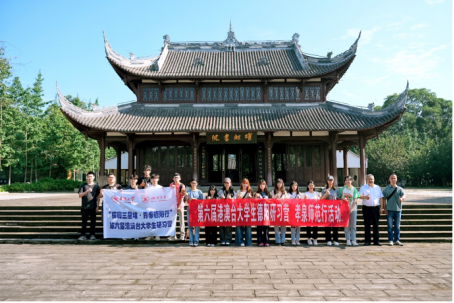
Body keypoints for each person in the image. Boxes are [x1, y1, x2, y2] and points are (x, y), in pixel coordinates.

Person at [360, 174, 384, 246]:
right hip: (366, 208)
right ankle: (367, 241)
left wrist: (381, 208)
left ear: (374, 179)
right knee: (367, 225)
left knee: (376, 225)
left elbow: (381, 198)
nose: (370, 180)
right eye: (369, 179)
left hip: (376, 208)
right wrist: (365, 197)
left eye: (371, 179)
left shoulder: (377, 187)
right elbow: (359, 196)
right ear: (366, 180)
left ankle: (376, 241)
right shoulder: (363, 187)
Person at [383, 174, 406, 246]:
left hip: (398, 210)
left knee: (397, 226)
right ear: (389, 179)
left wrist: (402, 199)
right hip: (389, 210)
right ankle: (390, 240)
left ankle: (397, 240)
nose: (393, 179)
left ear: (396, 179)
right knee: (390, 226)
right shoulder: (386, 189)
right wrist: (384, 208)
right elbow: (383, 199)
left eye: (394, 178)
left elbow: (404, 195)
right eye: (392, 178)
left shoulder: (400, 189)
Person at [78, 171, 101, 241]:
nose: (90, 178)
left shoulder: (96, 186)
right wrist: (87, 191)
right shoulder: (83, 185)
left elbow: (98, 196)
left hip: (93, 206)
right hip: (84, 207)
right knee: (84, 222)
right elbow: (80, 195)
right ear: (86, 177)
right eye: (88, 176)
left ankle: (92, 235)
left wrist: (97, 206)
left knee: (93, 222)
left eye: (91, 176)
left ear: (94, 177)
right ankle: (83, 235)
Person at [339, 175, 360, 247]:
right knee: (346, 224)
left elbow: (355, 199)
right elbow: (339, 197)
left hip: (353, 209)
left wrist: (351, 208)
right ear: (345, 181)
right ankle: (348, 239)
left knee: (353, 225)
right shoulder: (342, 189)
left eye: (349, 180)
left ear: (352, 181)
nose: (348, 181)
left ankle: (353, 240)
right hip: (344, 209)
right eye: (346, 180)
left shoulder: (354, 189)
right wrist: (343, 199)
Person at [321, 176, 341, 246]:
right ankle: (328, 240)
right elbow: (321, 200)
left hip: (335, 209)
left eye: (331, 180)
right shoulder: (324, 190)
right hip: (326, 209)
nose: (330, 182)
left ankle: (335, 240)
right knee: (327, 225)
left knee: (335, 225)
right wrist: (326, 194)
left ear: (333, 181)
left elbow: (339, 199)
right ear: (327, 181)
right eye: (329, 180)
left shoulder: (337, 190)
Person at [235, 179, 254, 247]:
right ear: (241, 184)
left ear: (248, 184)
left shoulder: (250, 191)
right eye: (243, 183)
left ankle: (248, 242)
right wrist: (238, 198)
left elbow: (253, 202)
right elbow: (235, 202)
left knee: (248, 227)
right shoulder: (238, 191)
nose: (244, 185)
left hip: (248, 211)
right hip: (240, 211)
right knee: (239, 226)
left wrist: (250, 197)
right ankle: (240, 241)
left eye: (246, 183)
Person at [145, 173, 163, 241]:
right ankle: (150, 235)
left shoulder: (161, 187)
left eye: (156, 178)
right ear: (151, 179)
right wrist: (145, 188)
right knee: (150, 221)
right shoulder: (149, 187)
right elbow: (145, 196)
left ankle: (157, 235)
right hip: (150, 206)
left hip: (158, 207)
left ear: (158, 179)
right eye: (153, 178)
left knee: (157, 221)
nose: (155, 180)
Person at [218, 178, 236, 246]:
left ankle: (228, 239)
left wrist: (231, 199)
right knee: (221, 226)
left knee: (228, 226)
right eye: (225, 183)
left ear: (230, 183)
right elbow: (216, 201)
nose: (227, 184)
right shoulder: (220, 192)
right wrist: (221, 199)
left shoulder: (233, 192)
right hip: (221, 210)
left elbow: (236, 201)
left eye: (228, 183)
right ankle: (222, 240)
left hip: (229, 211)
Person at [187, 179, 204, 247]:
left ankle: (196, 240)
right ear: (190, 183)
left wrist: (195, 199)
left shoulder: (199, 192)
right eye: (192, 183)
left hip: (197, 210)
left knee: (197, 226)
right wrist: (188, 198)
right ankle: (191, 240)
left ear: (197, 183)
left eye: (195, 183)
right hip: (190, 210)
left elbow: (202, 201)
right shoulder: (188, 192)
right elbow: (187, 202)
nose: (193, 184)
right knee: (190, 225)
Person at [169, 173, 186, 241]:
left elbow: (182, 197)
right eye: (175, 177)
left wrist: (179, 206)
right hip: (173, 205)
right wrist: (171, 188)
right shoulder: (171, 184)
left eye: (177, 177)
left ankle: (182, 234)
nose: (176, 179)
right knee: (173, 221)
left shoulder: (182, 186)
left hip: (180, 204)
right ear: (173, 179)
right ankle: (173, 235)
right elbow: (168, 193)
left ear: (180, 178)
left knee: (181, 220)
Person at [271, 178, 287, 246]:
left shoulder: (284, 192)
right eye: (278, 183)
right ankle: (277, 240)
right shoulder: (273, 191)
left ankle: (283, 239)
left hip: (283, 210)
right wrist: (275, 198)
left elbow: (287, 201)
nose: (279, 184)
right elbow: (271, 201)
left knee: (283, 226)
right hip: (275, 210)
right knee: (276, 226)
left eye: (280, 183)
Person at [304, 180, 320, 246]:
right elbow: (303, 203)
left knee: (315, 226)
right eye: (309, 185)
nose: (311, 186)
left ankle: (315, 239)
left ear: (314, 186)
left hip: (315, 211)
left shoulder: (317, 193)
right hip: (308, 211)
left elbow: (319, 201)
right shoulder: (306, 193)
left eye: (312, 185)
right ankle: (309, 238)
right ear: (307, 186)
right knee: (308, 226)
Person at [288, 181, 304, 246]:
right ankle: (293, 239)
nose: (294, 187)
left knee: (298, 226)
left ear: (297, 186)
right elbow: (288, 202)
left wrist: (300, 200)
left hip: (298, 211)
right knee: (293, 226)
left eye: (295, 185)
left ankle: (297, 239)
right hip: (292, 211)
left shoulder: (300, 194)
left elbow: (303, 203)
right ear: (291, 187)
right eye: (293, 185)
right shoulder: (289, 194)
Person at [256, 180, 270, 247]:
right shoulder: (257, 193)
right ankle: (259, 241)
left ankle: (266, 241)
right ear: (259, 186)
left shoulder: (268, 193)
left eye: (263, 184)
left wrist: (266, 200)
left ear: (265, 185)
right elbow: (254, 202)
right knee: (259, 227)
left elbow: (271, 202)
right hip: (259, 211)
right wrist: (256, 197)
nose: (262, 186)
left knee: (266, 227)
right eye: (261, 184)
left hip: (266, 212)